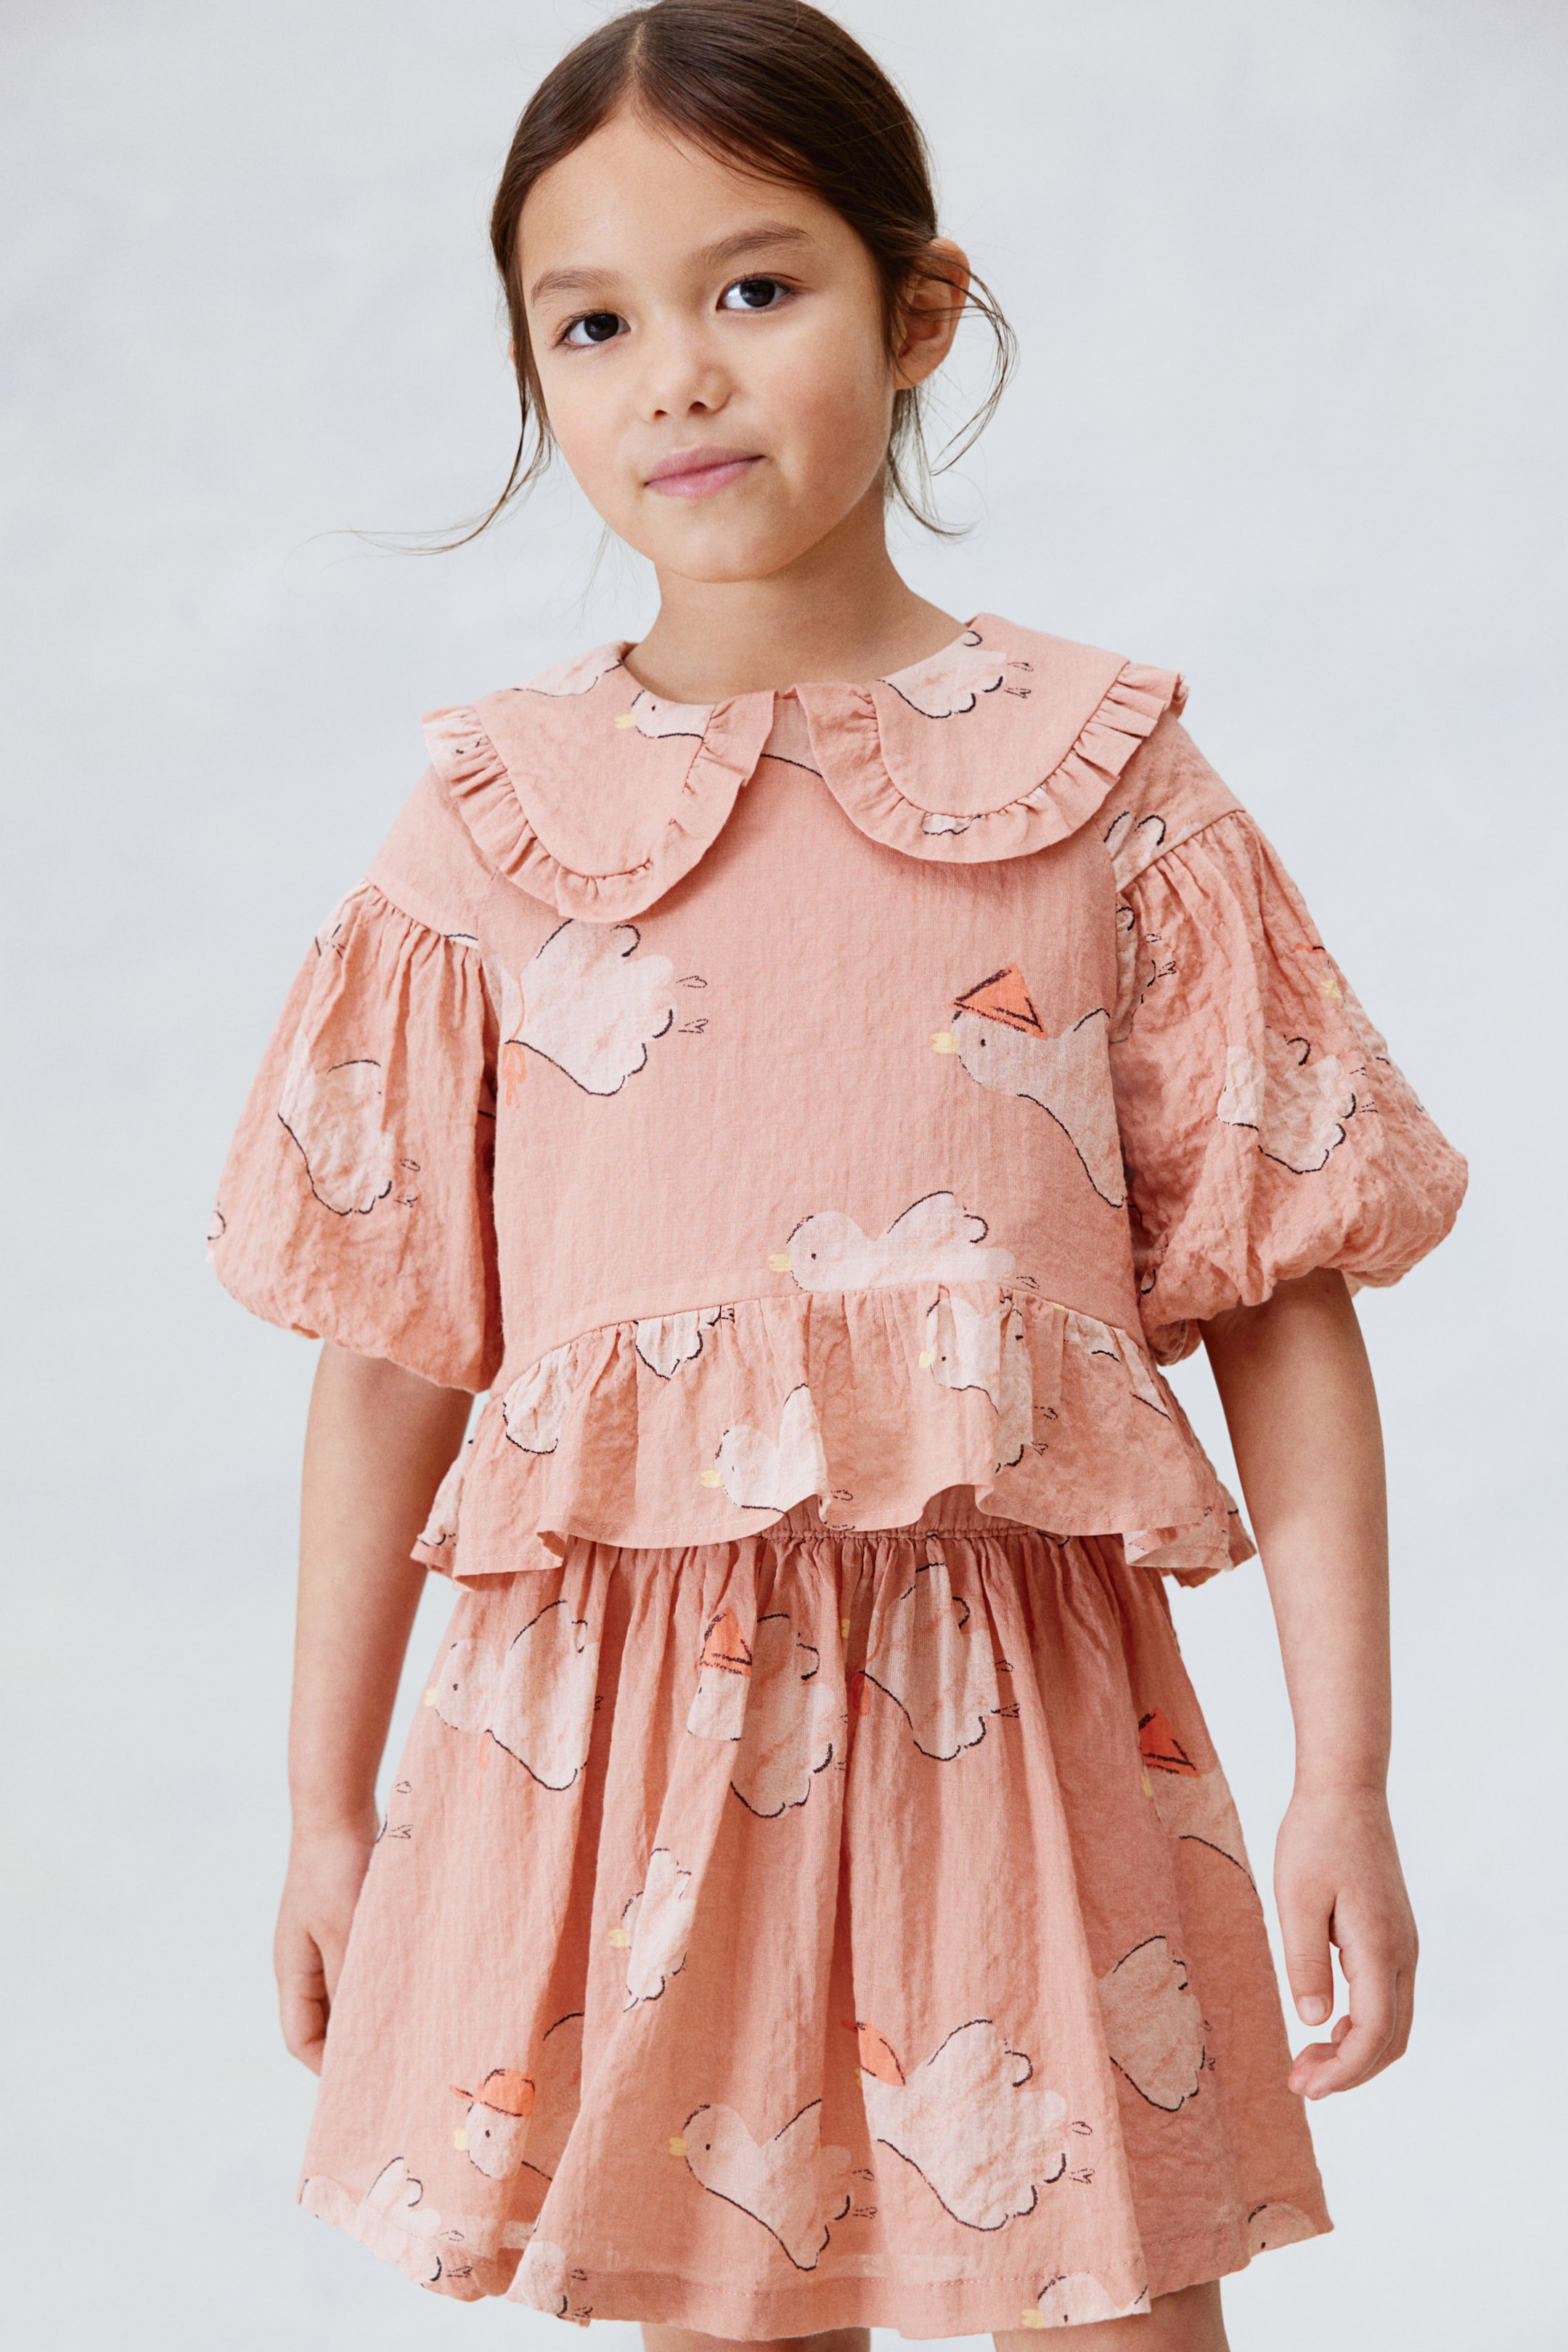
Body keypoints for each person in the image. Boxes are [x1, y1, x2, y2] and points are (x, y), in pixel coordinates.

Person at [208, 4, 1467, 2346]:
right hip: (625, 1773)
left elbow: (1285, 1294)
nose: (675, 375)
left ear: (918, 315)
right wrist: (322, 1808)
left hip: (1034, 1758)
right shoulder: (491, 826)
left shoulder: (1106, 784)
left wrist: (1348, 1780)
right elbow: (391, 1351)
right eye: (594, 325)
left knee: (1117, 2308)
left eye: (754, 288)